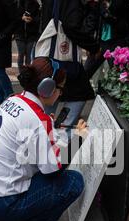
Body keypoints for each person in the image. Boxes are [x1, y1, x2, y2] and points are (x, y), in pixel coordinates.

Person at [0, 57, 86, 221]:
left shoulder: (14, 99)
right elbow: (53, 170)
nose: (61, 93)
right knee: (74, 182)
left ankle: (8, 214)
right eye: (60, 88)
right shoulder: (38, 120)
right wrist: (79, 138)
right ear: (48, 88)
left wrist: (47, 128)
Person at [39, 0, 100, 139]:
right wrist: (93, 46)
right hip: (64, 61)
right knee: (79, 95)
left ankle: (45, 135)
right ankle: (59, 136)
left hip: (48, 57)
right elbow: (71, 26)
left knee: (49, 99)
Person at [84, 0, 129, 79]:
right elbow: (91, 19)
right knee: (85, 73)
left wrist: (128, 42)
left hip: (117, 43)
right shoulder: (98, 2)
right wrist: (88, 42)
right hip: (99, 42)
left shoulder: (123, 3)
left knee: (119, 77)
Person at [14, 0, 41, 68]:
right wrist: (21, 18)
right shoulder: (17, 4)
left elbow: (39, 19)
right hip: (19, 34)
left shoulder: (35, 4)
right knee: (21, 54)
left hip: (31, 35)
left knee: (29, 56)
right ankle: (21, 73)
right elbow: (13, 18)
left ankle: (26, 74)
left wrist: (32, 19)